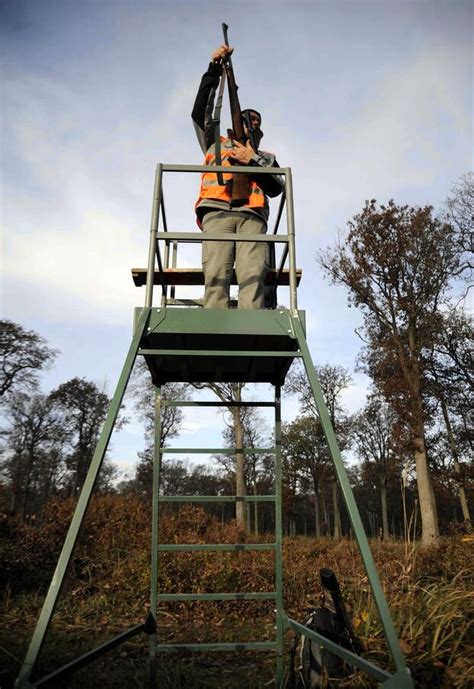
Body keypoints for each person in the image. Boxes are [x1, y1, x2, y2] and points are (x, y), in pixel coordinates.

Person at [192, 45, 283, 309]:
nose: (251, 124)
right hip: (217, 212)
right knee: (216, 275)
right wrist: (214, 70)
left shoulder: (266, 156)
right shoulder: (216, 142)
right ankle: (214, 328)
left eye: (256, 122)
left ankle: (250, 327)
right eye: (247, 120)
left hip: (252, 217)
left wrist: (251, 160)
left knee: (252, 276)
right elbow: (200, 113)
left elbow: (276, 188)